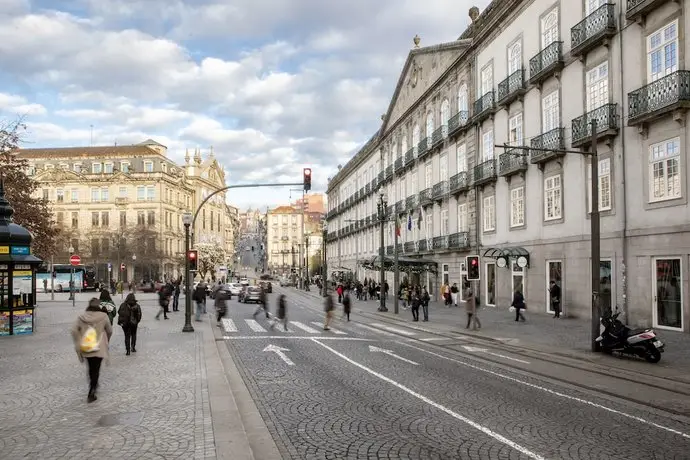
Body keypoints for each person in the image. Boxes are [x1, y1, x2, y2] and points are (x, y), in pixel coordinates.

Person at [71, 298, 113, 403]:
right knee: (96, 369)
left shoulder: (82, 317)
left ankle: (92, 385)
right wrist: (106, 339)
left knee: (90, 368)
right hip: (99, 347)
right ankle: (92, 390)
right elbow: (109, 330)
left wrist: (79, 340)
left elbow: (73, 330)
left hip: (86, 347)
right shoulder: (103, 316)